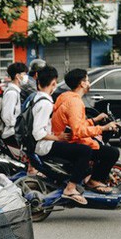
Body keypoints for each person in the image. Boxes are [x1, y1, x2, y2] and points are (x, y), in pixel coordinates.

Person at [31, 66, 92, 205]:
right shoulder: (45, 103)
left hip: (43, 143)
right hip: (44, 145)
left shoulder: (37, 97)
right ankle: (70, 188)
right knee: (85, 151)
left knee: (77, 147)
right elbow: (37, 133)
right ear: (53, 83)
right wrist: (58, 138)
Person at [51, 69, 119, 194]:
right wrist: (103, 128)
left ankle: (89, 177)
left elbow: (75, 124)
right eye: (87, 80)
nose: (89, 83)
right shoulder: (75, 102)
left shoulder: (65, 96)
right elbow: (78, 131)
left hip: (64, 139)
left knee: (98, 146)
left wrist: (94, 120)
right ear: (82, 83)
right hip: (69, 141)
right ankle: (94, 181)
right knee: (112, 153)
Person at [1, 62, 29, 148]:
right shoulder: (12, 93)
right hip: (12, 133)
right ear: (17, 76)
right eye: (24, 74)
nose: (26, 77)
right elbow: (7, 116)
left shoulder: (15, 91)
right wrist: (18, 126)